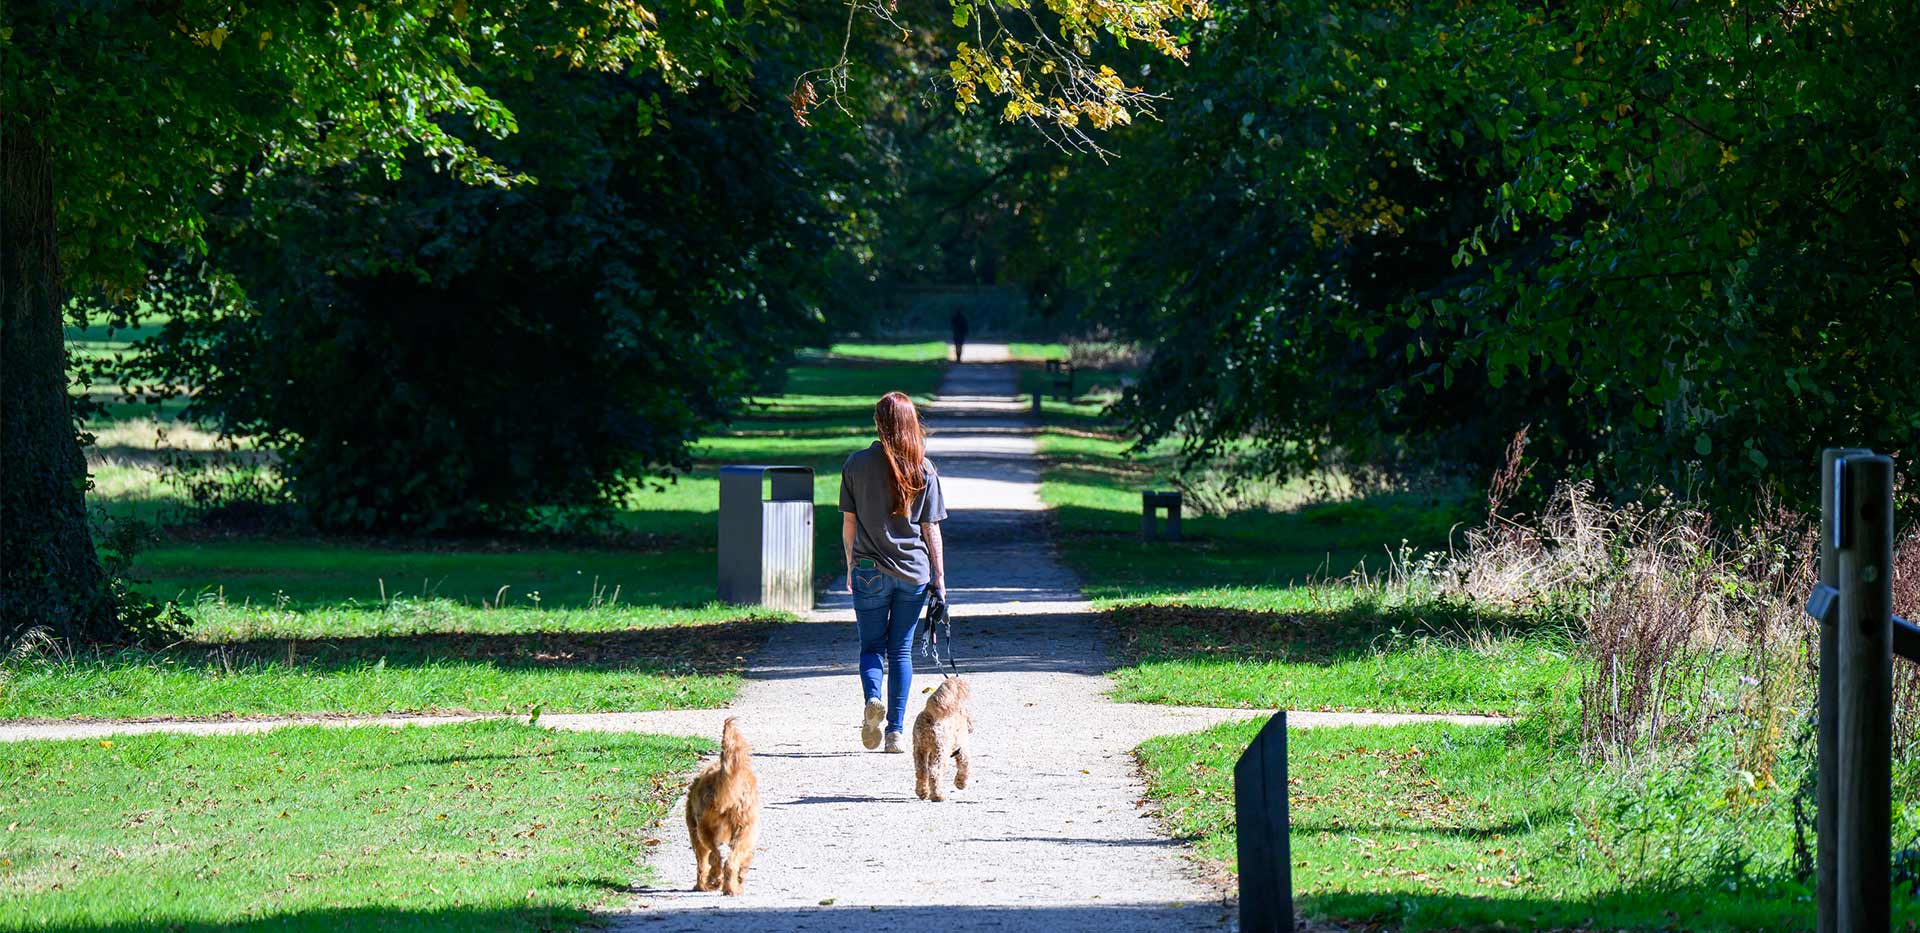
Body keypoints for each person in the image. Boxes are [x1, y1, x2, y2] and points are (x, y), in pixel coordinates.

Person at [840, 391, 948, 753]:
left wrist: (850, 565)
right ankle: (896, 732)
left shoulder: (855, 465)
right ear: (910, 424)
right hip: (913, 573)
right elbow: (931, 529)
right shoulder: (924, 469)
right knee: (900, 651)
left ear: (878, 423)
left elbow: (849, 524)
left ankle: (873, 699)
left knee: (871, 647)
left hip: (869, 570)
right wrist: (940, 580)